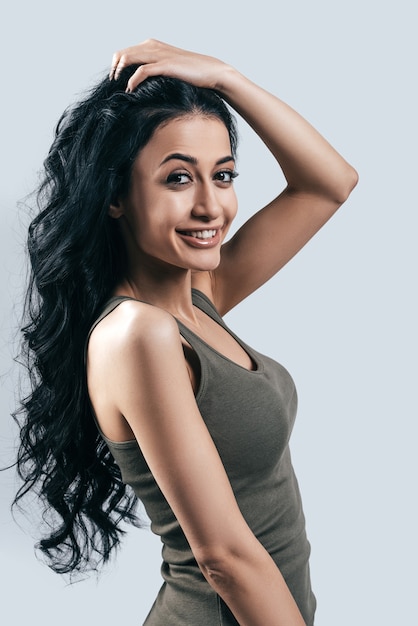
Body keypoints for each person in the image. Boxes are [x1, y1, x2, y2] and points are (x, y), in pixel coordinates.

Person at [13, 39, 358, 625]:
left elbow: (330, 183)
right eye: (178, 178)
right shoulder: (137, 336)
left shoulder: (201, 299)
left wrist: (226, 78)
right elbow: (221, 556)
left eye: (222, 175)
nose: (212, 207)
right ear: (117, 195)